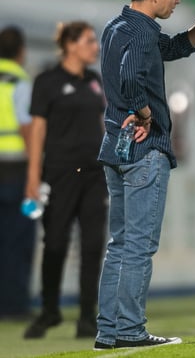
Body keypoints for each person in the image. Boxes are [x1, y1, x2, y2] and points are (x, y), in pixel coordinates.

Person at [94, 0, 195, 350]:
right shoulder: (142, 33)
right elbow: (129, 78)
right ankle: (129, 330)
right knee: (140, 245)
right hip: (144, 150)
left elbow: (175, 48)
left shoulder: (117, 27)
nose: (177, 1)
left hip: (115, 149)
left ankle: (109, 331)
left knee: (120, 244)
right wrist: (144, 115)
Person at [23, 21, 108, 338]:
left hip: (93, 176)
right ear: (70, 44)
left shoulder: (94, 82)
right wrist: (33, 176)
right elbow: (37, 130)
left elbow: (101, 126)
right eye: (88, 41)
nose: (95, 47)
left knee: (92, 246)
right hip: (59, 175)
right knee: (55, 243)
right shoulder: (46, 81)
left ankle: (87, 316)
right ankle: (49, 311)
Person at [0, 26, 36, 319]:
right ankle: (14, 306)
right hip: (14, 171)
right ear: (20, 51)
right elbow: (27, 128)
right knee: (18, 240)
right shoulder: (19, 82)